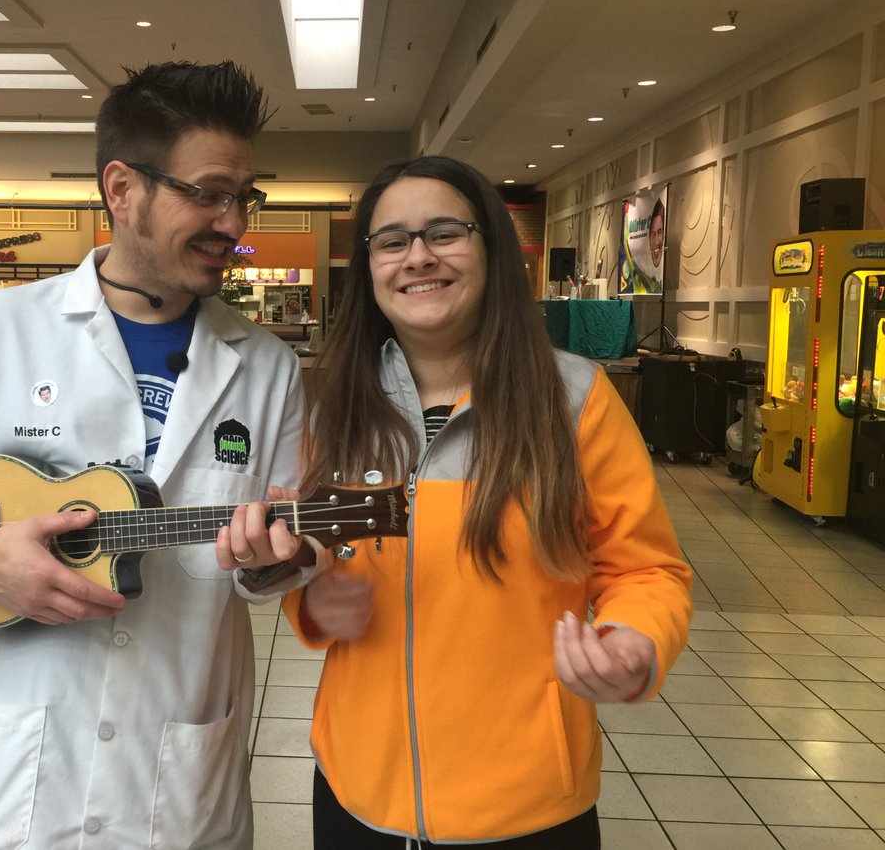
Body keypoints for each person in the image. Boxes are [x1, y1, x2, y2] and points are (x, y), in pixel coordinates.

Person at [0, 60, 308, 849]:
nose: (233, 224)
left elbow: (277, 555)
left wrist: (272, 563)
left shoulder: (267, 368)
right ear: (122, 189)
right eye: (209, 193)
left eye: (243, 198)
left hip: (173, 772)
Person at [221, 156, 692, 849]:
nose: (418, 257)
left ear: (490, 248)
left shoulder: (575, 401)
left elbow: (647, 570)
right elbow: (316, 552)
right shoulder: (339, 407)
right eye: (392, 241)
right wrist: (306, 597)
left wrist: (635, 639)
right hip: (358, 793)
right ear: (370, 266)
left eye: (444, 233)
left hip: (528, 804)